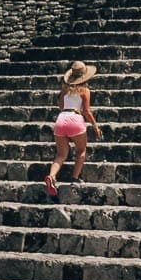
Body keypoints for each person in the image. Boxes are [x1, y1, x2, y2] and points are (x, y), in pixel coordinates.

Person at [44, 60, 102, 196]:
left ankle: (51, 176)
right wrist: (95, 126)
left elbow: (60, 105)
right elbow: (87, 111)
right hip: (75, 119)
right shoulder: (85, 91)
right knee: (81, 150)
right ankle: (75, 177)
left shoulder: (65, 90)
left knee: (61, 155)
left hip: (61, 118)